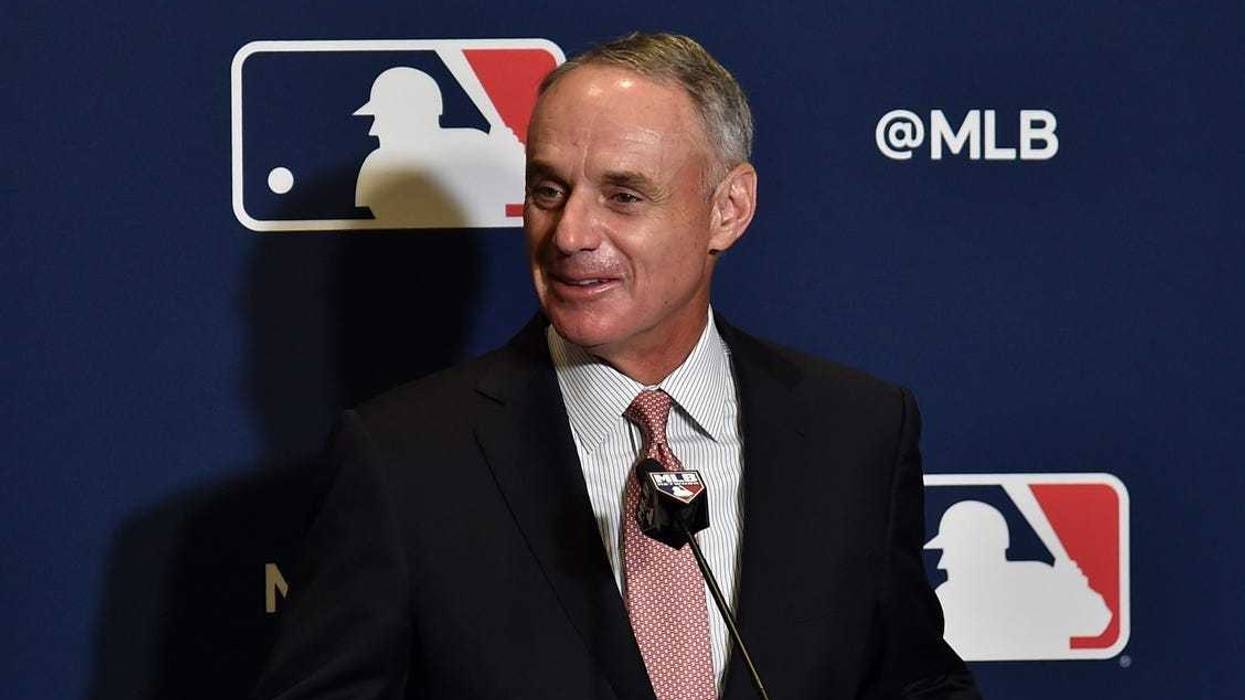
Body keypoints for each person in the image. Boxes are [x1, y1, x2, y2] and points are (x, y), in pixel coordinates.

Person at [253, 32, 981, 700]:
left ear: (727, 210)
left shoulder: (855, 433)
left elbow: (913, 684)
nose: (569, 233)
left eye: (623, 196)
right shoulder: (404, 459)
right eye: (547, 190)